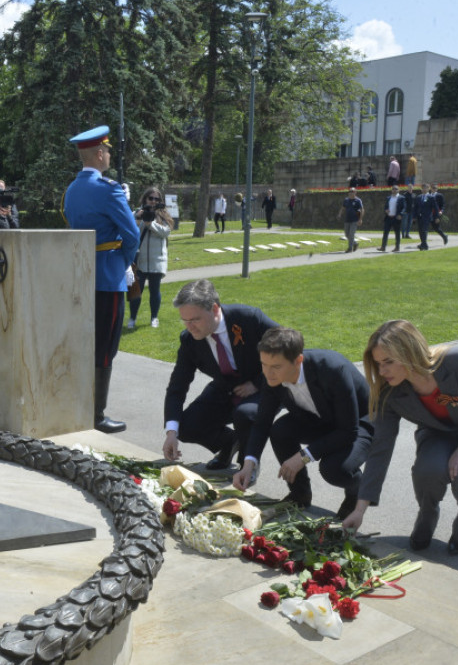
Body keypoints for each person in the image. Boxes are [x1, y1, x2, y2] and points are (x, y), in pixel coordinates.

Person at [342, 320, 458, 555]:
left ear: (409, 353)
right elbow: (380, 449)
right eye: (378, 364)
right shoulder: (389, 393)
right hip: (440, 432)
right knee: (427, 471)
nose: (382, 371)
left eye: (388, 362)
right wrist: (360, 509)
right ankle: (427, 515)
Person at [232, 327, 373, 516]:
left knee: (334, 468)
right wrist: (249, 463)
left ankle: (358, 493)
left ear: (298, 360)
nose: (268, 373)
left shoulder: (333, 370)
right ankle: (300, 494)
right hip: (319, 417)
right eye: (263, 364)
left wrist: (303, 456)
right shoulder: (271, 375)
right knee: (280, 430)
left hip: (361, 422)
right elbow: (262, 422)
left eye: (276, 367)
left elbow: (348, 431)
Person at [63, 125, 139, 433]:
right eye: (106, 150)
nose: (109, 155)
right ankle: (96, 415)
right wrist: (123, 261)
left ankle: (79, 406)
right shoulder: (108, 189)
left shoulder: (72, 190)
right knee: (106, 346)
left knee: (84, 343)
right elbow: (132, 234)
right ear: (98, 153)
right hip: (108, 277)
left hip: (80, 276)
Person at [162, 279, 279, 470]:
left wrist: (257, 383)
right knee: (186, 426)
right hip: (226, 388)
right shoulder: (189, 340)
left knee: (245, 414)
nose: (189, 327)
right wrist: (171, 433)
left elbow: (288, 350)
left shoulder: (249, 319)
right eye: (185, 320)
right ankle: (229, 443)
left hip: (266, 384)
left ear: (215, 309)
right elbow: (177, 387)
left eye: (195, 319)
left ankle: (247, 466)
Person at [128, 187, 171, 330]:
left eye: (156, 199)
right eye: (150, 198)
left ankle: (154, 318)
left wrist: (150, 224)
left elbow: (165, 232)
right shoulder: (137, 213)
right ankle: (132, 318)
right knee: (136, 291)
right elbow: (130, 229)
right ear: (145, 198)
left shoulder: (163, 215)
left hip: (157, 260)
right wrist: (138, 217)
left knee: (155, 290)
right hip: (140, 260)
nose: (153, 201)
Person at [377, 185, 406, 252]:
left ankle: (397, 247)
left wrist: (400, 214)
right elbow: (385, 207)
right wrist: (386, 210)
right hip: (388, 218)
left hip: (396, 218)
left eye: (396, 189)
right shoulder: (389, 198)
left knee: (397, 233)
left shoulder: (401, 198)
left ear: (399, 190)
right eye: (393, 189)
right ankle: (383, 247)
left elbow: (404, 208)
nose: (394, 190)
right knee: (385, 233)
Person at [413, 183, 440, 251]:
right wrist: (414, 217)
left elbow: (435, 208)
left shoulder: (431, 197)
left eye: (426, 188)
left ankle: (424, 245)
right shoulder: (418, 197)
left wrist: (436, 217)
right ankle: (424, 244)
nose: (424, 189)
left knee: (424, 230)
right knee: (420, 231)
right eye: (423, 188)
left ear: (428, 189)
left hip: (427, 217)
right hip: (419, 217)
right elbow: (415, 208)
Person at [337, 187, 363, 253]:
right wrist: (340, 214)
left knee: (351, 234)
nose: (351, 193)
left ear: (355, 192)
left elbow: (362, 210)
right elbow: (343, 208)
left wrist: (360, 219)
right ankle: (355, 243)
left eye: (352, 191)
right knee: (347, 234)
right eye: (350, 191)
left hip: (355, 220)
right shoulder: (346, 200)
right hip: (347, 219)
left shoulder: (358, 200)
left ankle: (350, 248)